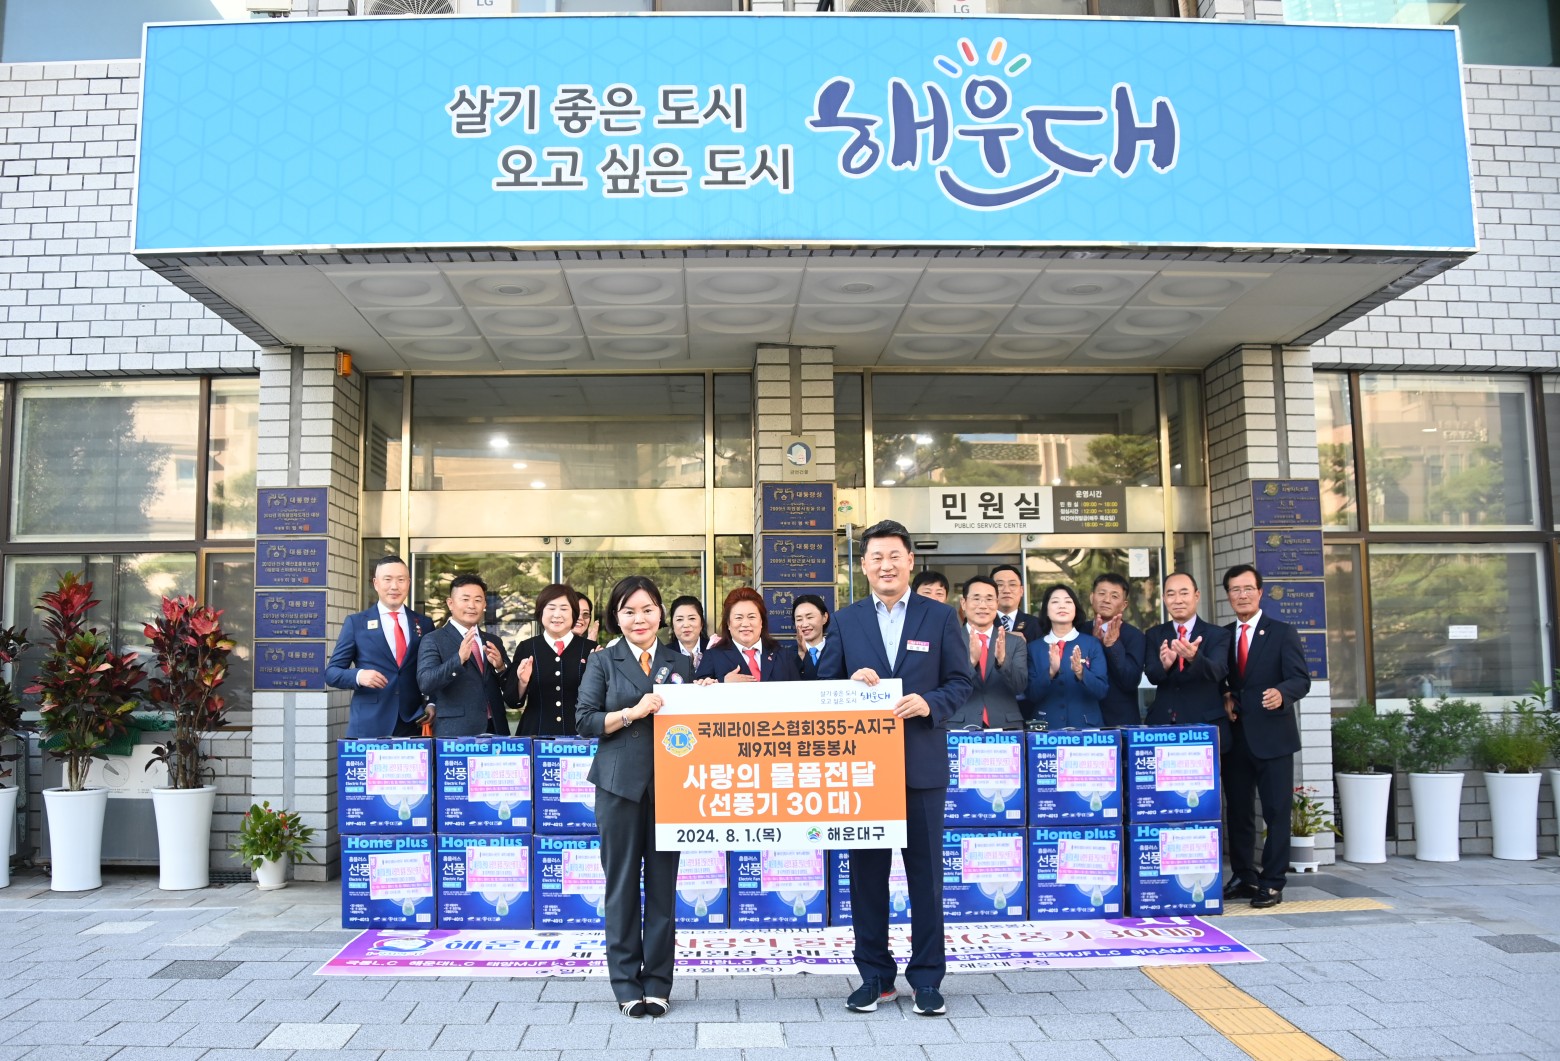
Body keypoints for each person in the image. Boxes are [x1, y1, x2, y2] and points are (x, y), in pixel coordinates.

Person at [817, 520, 972, 1018]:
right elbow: (823, 686)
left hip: (921, 769)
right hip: (863, 774)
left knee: (925, 879)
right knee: (867, 879)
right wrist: (848, 684)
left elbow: (960, 682)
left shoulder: (940, 616)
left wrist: (929, 704)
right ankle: (875, 977)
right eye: (876, 557)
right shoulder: (847, 620)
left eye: (894, 556)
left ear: (910, 561)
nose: (886, 565)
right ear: (863, 566)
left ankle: (927, 979)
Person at [575, 575, 694, 1018]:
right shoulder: (603, 660)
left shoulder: (680, 662)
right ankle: (626, 984)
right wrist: (631, 712)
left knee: (663, 888)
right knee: (622, 886)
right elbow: (584, 721)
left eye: (647, 609)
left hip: (671, 789)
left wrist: (705, 696)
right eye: (629, 611)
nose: (639, 618)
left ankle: (658, 983)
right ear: (616, 616)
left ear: (660, 613)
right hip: (618, 787)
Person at [1220, 564, 1311, 910]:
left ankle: (1272, 882)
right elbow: (1222, 679)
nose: (1242, 595)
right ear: (1228, 596)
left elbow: (1301, 679)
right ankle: (1244, 874)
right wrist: (1225, 695)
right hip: (1236, 737)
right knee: (1239, 811)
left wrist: (1282, 693)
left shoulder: (1282, 632)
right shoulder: (1223, 636)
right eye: (1235, 589)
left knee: (1275, 812)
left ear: (1260, 592)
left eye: (1248, 588)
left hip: (1273, 738)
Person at [325, 555, 434, 738]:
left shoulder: (424, 623)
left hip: (413, 722)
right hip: (370, 724)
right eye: (388, 579)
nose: (394, 586)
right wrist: (359, 675)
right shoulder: (356, 623)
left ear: (409, 583)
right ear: (376, 583)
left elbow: (433, 670)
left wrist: (432, 703)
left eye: (401, 580)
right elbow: (332, 673)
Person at [415, 573, 510, 737]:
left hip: (496, 729)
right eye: (465, 599)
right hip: (456, 733)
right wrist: (458, 660)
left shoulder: (493, 641)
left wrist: (501, 667)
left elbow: (510, 686)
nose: (472, 605)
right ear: (450, 603)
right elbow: (426, 683)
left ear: (484, 605)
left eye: (478, 600)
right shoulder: (433, 639)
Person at [1143, 573, 1231, 739]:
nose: (1178, 600)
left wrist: (1194, 657)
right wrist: (1165, 666)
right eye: (1171, 594)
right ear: (1164, 598)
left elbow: (1218, 672)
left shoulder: (1218, 634)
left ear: (1196, 595)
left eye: (1184, 593)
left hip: (1204, 727)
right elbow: (1152, 675)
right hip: (1163, 727)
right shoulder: (1154, 634)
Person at [504, 583, 596, 738]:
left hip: (580, 738)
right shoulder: (527, 647)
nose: (557, 615)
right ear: (541, 612)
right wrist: (522, 682)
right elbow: (512, 701)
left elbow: (601, 701)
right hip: (535, 735)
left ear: (574, 613)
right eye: (551, 608)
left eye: (564, 609)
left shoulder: (590, 649)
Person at [948, 575, 1027, 730]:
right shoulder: (949, 640)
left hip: (1006, 726)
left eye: (989, 599)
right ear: (963, 603)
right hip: (960, 725)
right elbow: (947, 686)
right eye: (976, 599)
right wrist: (971, 662)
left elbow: (1020, 686)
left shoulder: (1015, 642)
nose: (983, 605)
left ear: (997, 603)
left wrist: (1003, 661)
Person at [1025, 583, 1108, 729]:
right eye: (1055, 602)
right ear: (1046, 610)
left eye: (1068, 602)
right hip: (1046, 729)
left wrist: (1081, 672)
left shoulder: (1092, 644)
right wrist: (1051, 672)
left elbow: (1102, 691)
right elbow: (1031, 695)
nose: (1062, 606)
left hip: (1086, 728)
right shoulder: (1034, 648)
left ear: (1075, 609)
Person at [694, 587, 801, 684]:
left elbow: (798, 693)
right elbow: (699, 693)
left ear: (761, 621)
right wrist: (722, 682)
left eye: (751, 617)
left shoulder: (782, 655)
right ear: (728, 623)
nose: (745, 624)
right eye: (738, 618)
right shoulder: (713, 656)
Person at [1088, 572, 1146, 728]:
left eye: (1114, 596)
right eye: (1102, 593)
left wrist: (1113, 645)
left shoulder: (1135, 636)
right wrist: (1093, 643)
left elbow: (1130, 681)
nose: (1106, 600)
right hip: (1083, 721)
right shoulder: (1079, 631)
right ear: (1092, 597)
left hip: (1120, 722)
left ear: (1124, 605)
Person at [991, 564, 1041, 643]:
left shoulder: (1036, 624)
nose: (1006, 590)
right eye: (999, 585)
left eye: (1012, 584)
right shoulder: (982, 623)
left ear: (1021, 591)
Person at [666, 595, 709, 672]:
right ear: (672, 625)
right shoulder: (664, 654)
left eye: (692, 618)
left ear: (701, 623)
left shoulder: (713, 650)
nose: (686, 625)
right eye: (679, 619)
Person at [793, 593, 831, 680]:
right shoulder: (786, 657)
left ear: (825, 617)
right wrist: (802, 655)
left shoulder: (837, 652)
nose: (804, 624)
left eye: (810, 617)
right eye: (799, 619)